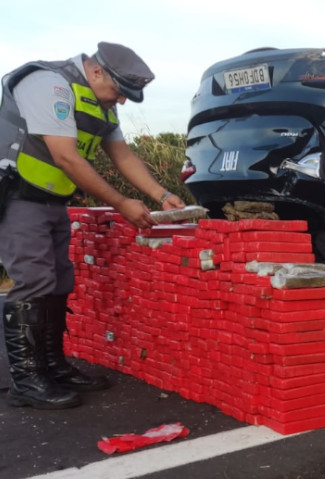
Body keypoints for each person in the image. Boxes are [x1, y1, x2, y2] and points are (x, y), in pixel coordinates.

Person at [0, 42, 186, 410]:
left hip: (52, 201)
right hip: (18, 197)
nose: (121, 101)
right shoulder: (48, 83)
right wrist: (121, 203)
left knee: (59, 280)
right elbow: (66, 157)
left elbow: (123, 155)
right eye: (119, 91)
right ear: (96, 70)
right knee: (34, 281)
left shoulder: (98, 101)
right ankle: (27, 379)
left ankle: (52, 366)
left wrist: (162, 195)